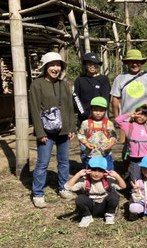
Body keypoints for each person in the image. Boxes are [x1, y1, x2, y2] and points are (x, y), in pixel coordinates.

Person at [29, 52, 77, 208]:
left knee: (63, 162)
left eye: (58, 65)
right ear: (45, 67)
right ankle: (38, 194)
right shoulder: (37, 84)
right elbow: (34, 109)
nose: (55, 68)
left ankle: (63, 187)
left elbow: (70, 107)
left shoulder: (64, 84)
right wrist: (40, 132)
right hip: (46, 133)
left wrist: (71, 127)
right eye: (52, 65)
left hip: (63, 131)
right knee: (43, 163)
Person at [64, 156, 126, 227]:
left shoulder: (107, 179)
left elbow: (123, 186)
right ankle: (87, 216)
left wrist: (117, 176)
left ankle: (109, 214)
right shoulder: (85, 180)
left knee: (114, 195)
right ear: (88, 170)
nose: (96, 174)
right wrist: (78, 175)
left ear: (104, 171)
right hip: (91, 207)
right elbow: (68, 187)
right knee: (80, 198)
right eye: (93, 170)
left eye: (100, 171)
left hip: (104, 207)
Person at [115, 103, 147, 182]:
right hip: (134, 158)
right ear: (135, 114)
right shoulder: (129, 126)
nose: (142, 117)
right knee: (135, 176)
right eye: (140, 114)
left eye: (145, 115)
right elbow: (117, 120)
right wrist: (129, 115)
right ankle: (135, 192)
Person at [77, 97, 116, 171]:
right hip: (90, 155)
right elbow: (81, 135)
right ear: (91, 110)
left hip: (105, 154)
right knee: (90, 173)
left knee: (107, 172)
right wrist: (85, 143)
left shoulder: (109, 123)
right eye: (95, 110)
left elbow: (113, 136)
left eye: (101, 110)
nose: (98, 113)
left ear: (105, 111)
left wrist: (111, 144)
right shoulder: (85, 123)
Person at [72, 52, 111, 125]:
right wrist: (83, 113)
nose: (92, 66)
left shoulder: (104, 80)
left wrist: (101, 114)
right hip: (84, 119)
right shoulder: (79, 80)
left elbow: (106, 99)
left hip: (100, 119)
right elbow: (75, 97)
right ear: (85, 65)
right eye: (89, 63)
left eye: (95, 63)